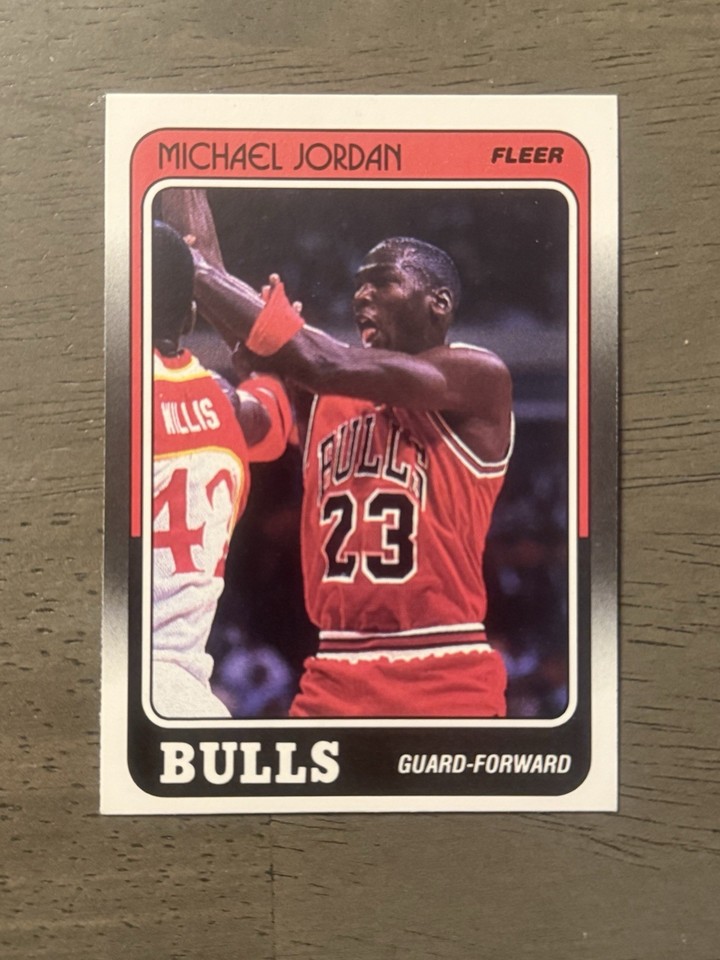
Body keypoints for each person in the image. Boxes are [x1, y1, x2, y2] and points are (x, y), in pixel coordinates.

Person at [181, 196, 514, 717]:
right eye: (359, 284)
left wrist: (195, 272)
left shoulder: (477, 375)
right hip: (334, 672)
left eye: (382, 282)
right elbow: (219, 284)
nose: (362, 295)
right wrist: (181, 183)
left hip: (442, 671)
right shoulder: (323, 390)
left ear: (439, 303)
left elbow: (320, 361)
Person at [150, 220, 292, 718]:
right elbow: (273, 395)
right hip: (187, 697)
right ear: (190, 317)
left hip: (112, 681)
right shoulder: (227, 402)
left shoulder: (105, 405)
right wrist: (260, 323)